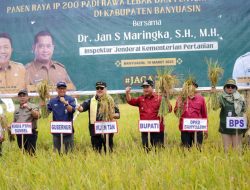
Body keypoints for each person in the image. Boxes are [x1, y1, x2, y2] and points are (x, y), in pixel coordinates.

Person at [126, 79, 172, 151]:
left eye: (147, 87)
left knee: (159, 151)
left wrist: (166, 98)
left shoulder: (159, 98)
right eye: (144, 87)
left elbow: (169, 110)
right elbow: (130, 101)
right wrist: (127, 93)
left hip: (158, 130)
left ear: (152, 87)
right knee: (146, 150)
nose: (145, 89)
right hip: (145, 130)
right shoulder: (141, 99)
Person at [77, 81, 120, 153]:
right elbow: (81, 108)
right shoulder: (90, 101)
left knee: (109, 151)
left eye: (101, 88)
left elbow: (118, 115)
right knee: (97, 152)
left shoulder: (111, 100)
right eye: (97, 88)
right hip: (95, 132)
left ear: (105, 89)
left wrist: (111, 115)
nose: (99, 89)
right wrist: (78, 107)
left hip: (108, 130)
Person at [212, 79, 246, 152]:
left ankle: (237, 163)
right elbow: (214, 107)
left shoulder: (241, 98)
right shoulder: (221, 97)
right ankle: (227, 163)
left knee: (237, 150)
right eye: (228, 86)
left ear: (235, 88)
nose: (230, 88)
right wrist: (214, 95)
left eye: (232, 86)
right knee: (227, 150)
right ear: (225, 88)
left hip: (238, 128)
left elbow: (245, 111)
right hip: (225, 128)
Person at [174, 79, 208, 148]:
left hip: (198, 129)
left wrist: (206, 129)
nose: (190, 88)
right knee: (186, 150)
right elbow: (177, 114)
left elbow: (204, 114)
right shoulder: (181, 98)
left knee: (198, 149)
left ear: (195, 88)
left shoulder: (201, 99)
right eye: (188, 86)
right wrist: (178, 106)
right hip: (185, 130)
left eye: (192, 86)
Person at [47, 81, 76, 153]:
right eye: (60, 88)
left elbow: (72, 110)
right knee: (57, 152)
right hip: (56, 132)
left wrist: (65, 103)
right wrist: (42, 104)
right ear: (57, 90)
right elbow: (46, 114)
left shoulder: (70, 99)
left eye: (63, 88)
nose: (62, 90)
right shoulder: (52, 101)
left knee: (69, 153)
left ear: (66, 89)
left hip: (68, 132)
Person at [13, 89, 40, 155]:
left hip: (30, 134)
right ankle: (24, 165)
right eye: (20, 96)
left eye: (24, 95)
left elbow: (37, 116)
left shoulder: (33, 106)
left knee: (31, 153)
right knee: (22, 151)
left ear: (27, 97)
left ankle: (32, 164)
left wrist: (29, 108)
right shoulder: (16, 110)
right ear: (18, 98)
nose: (22, 97)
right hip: (19, 133)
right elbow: (15, 121)